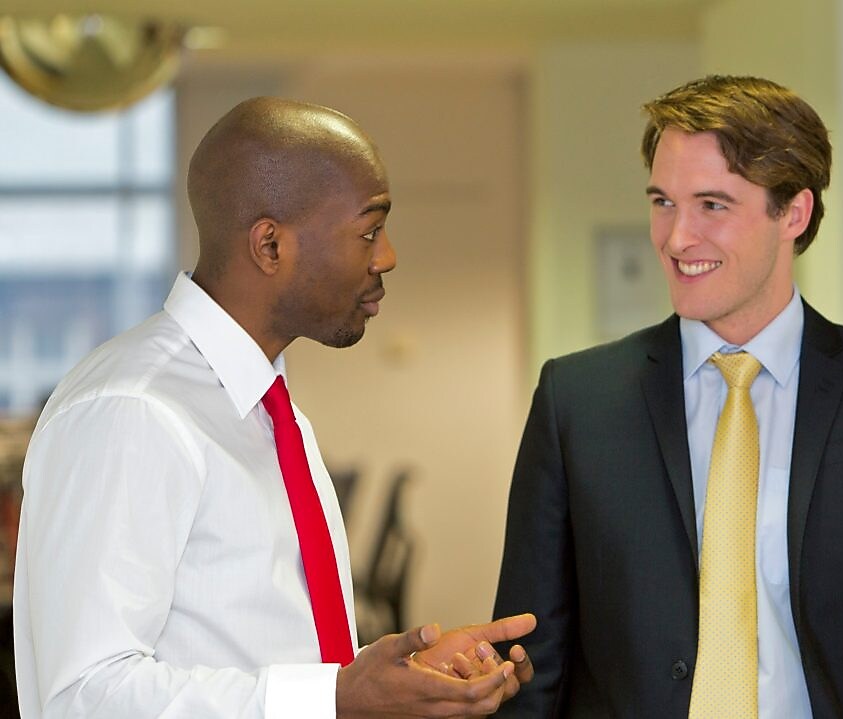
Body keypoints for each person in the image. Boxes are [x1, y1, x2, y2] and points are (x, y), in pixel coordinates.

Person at [14, 97, 534, 719]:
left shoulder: (262, 408)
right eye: (369, 229)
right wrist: (335, 699)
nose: (387, 255)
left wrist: (394, 681)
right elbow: (83, 697)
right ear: (270, 245)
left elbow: (257, 652)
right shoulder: (133, 410)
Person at [493, 75, 843, 717]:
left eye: (712, 206)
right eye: (663, 202)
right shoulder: (576, 403)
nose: (675, 238)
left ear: (794, 213)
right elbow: (530, 660)